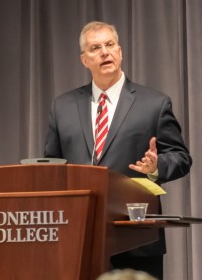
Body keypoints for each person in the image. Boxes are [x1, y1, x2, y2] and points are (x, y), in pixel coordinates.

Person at [44, 21, 192, 279]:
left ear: (120, 52)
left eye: (110, 45)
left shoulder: (154, 103)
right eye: (95, 47)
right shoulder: (63, 106)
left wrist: (156, 167)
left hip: (135, 238)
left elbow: (181, 157)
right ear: (84, 59)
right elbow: (52, 166)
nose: (104, 52)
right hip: (78, 237)